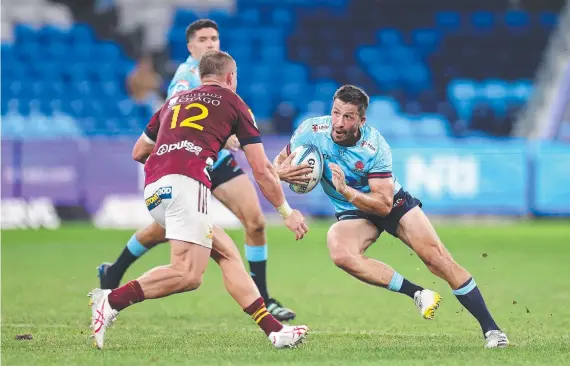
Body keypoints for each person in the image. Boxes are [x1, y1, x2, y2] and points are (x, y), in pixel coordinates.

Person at [88, 50, 309, 349]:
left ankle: (275, 331)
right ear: (230, 77)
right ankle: (110, 301)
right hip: (187, 186)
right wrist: (286, 211)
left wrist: (172, 159)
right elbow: (261, 169)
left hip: (154, 189)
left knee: (227, 253)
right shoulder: (234, 102)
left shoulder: (173, 102)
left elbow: (138, 152)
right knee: (188, 274)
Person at [273, 85, 509, 349]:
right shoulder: (311, 131)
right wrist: (281, 173)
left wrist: (347, 191)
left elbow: (383, 205)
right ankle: (417, 293)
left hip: (391, 203)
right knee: (340, 252)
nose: (338, 123)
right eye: (336, 113)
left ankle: (493, 330)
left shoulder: (375, 147)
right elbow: (278, 162)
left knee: (438, 260)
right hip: (352, 212)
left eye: (348, 117)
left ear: (362, 120)